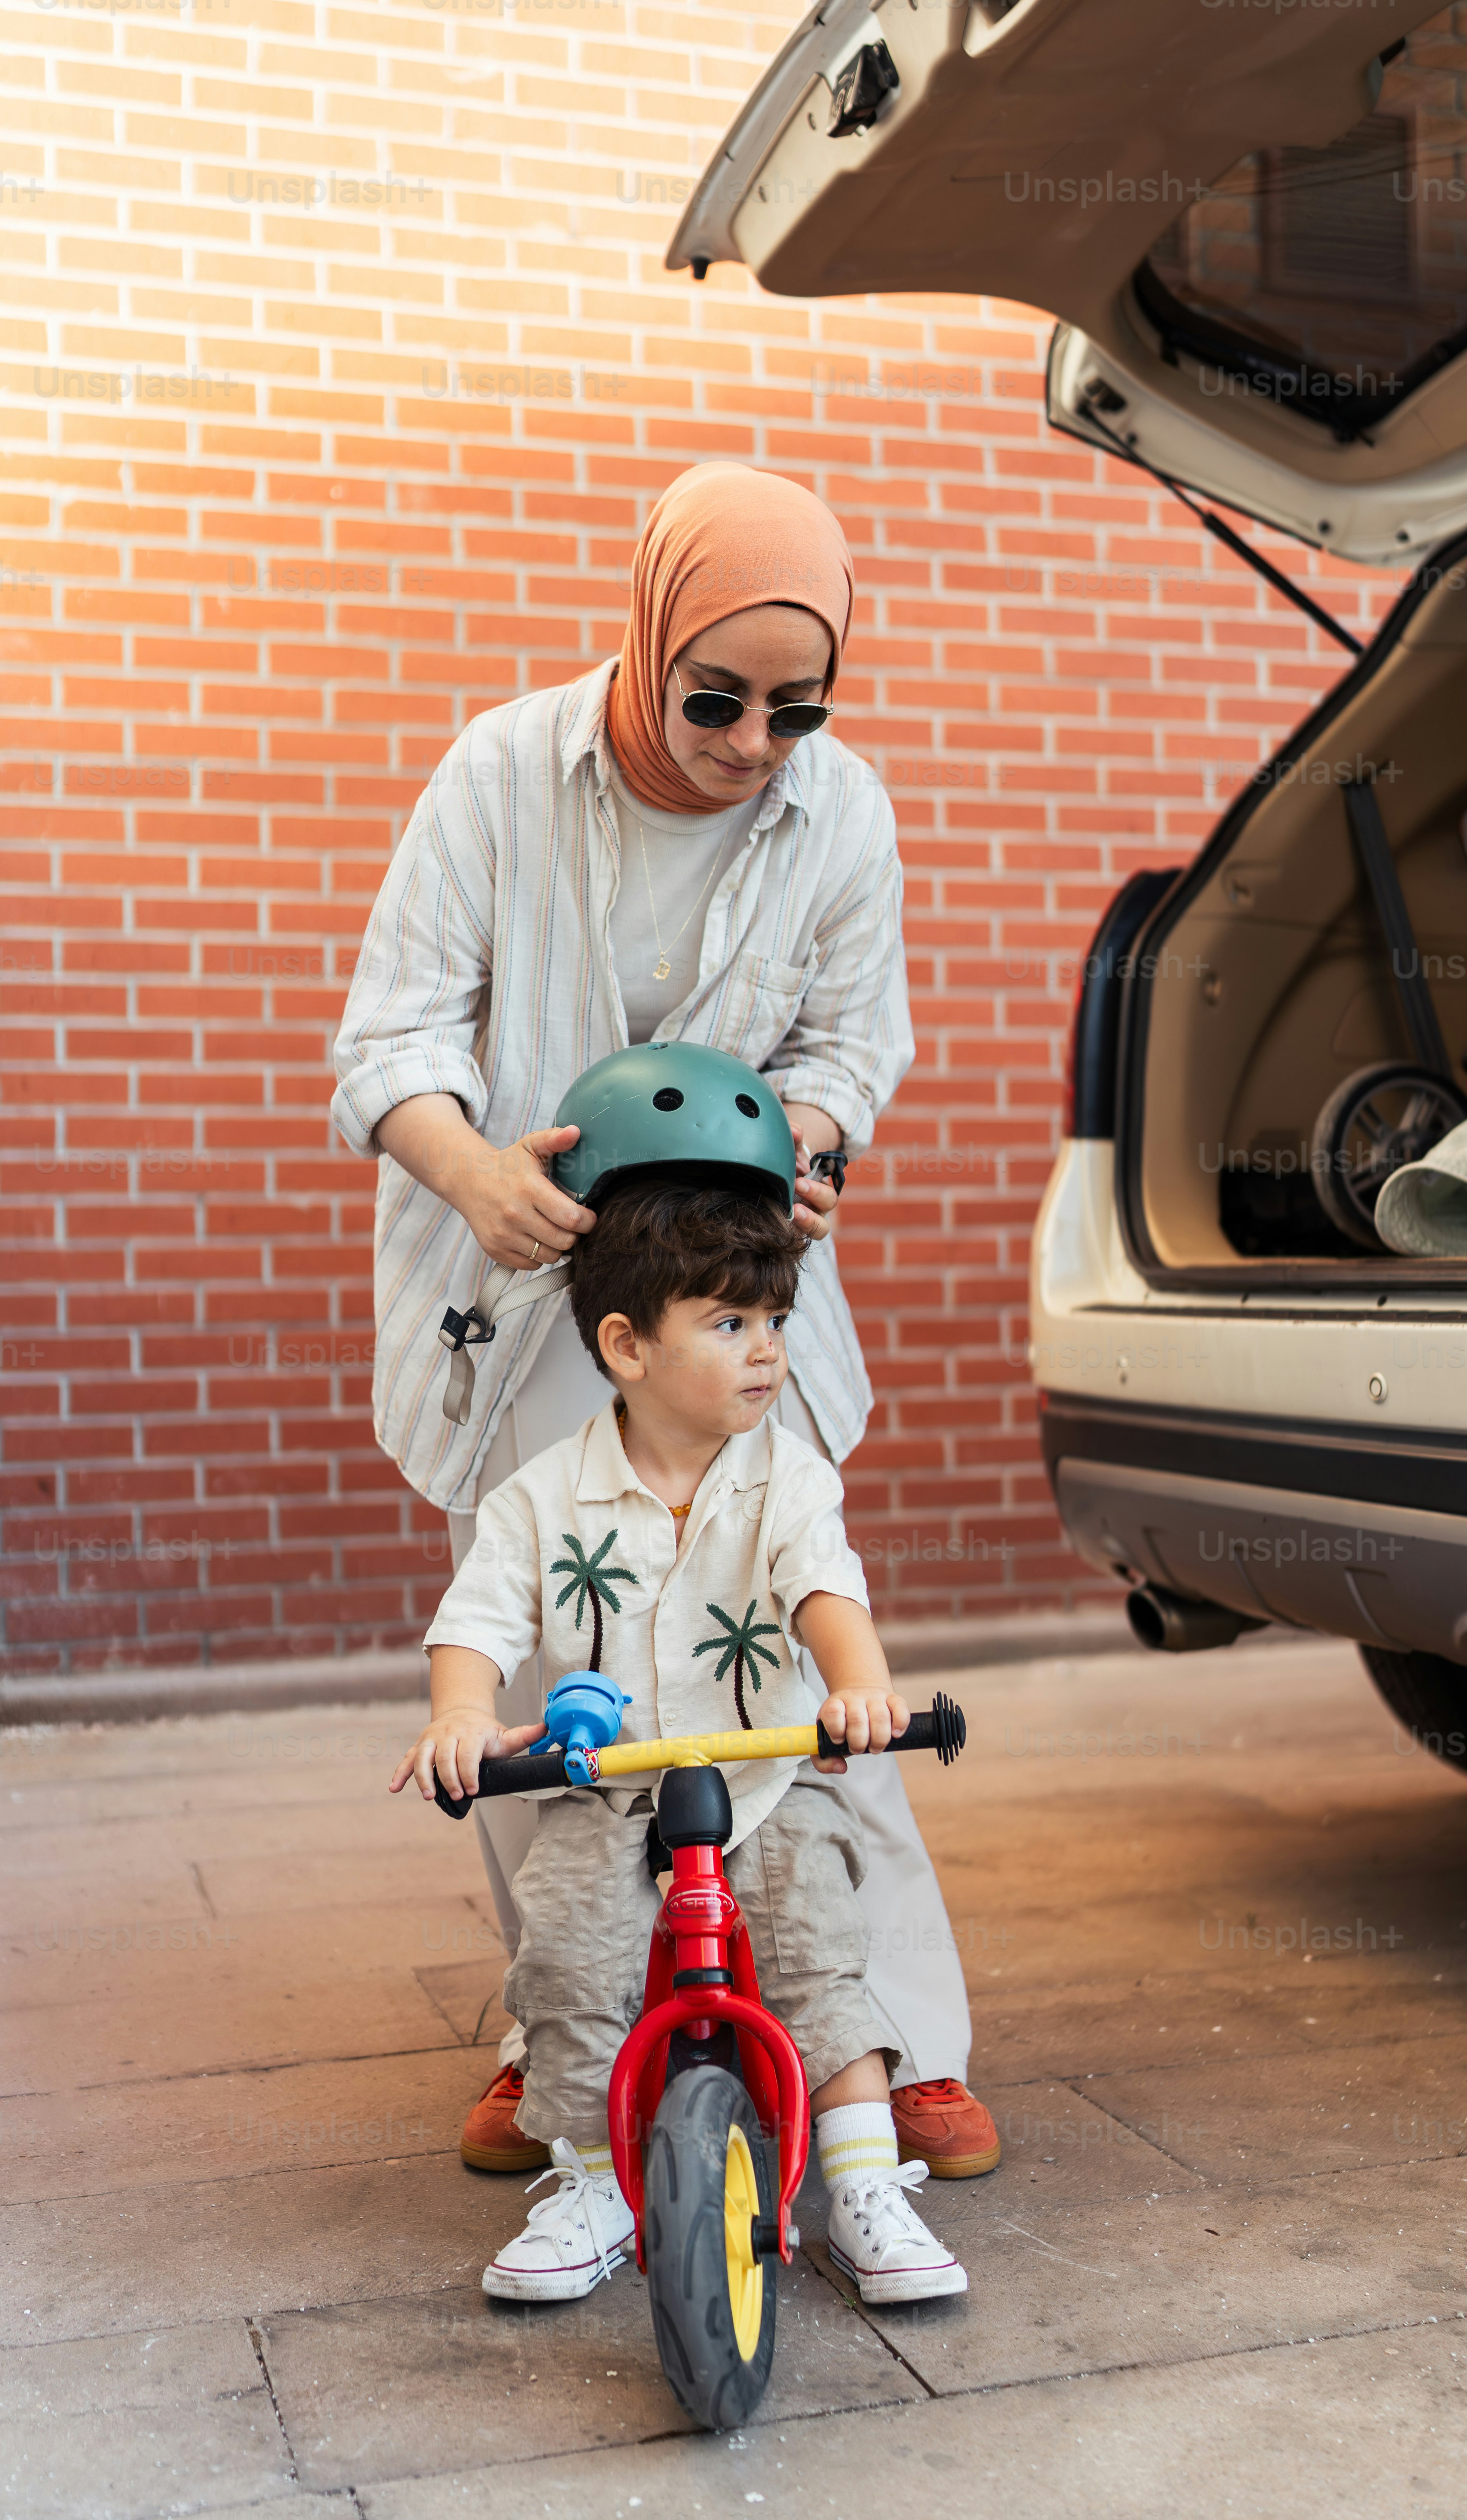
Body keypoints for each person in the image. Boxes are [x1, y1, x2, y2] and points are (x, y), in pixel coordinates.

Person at [331, 461, 998, 2181]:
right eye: (717, 699)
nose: (755, 742)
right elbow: (390, 1041)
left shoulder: (841, 810)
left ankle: (887, 2039)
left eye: (799, 707)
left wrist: (815, 1148)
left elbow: (853, 1045)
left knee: (807, 1646)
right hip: (527, 1280)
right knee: (552, 1681)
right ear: (643, 636)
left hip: (730, 1296)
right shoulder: (500, 773)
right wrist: (476, 1177)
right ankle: (557, 2037)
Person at [391, 1170, 970, 2305]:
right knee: (567, 1953)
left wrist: (859, 1690)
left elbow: (828, 1594)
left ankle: (864, 2184)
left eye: (775, 1323)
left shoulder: (789, 1481)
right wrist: (462, 1711)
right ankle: (593, 2180)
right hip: (607, 1787)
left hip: (763, 1778)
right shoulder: (540, 1498)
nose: (768, 1353)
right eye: (729, 1324)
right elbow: (478, 1620)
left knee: (816, 1941)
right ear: (627, 1346)